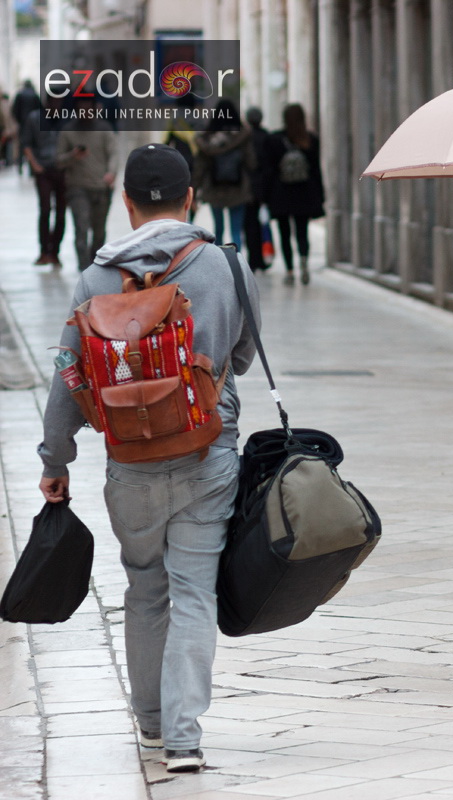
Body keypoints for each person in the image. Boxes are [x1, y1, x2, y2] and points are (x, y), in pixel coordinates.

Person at [37, 143, 259, 773]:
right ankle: (186, 740)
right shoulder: (224, 266)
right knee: (194, 591)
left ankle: (154, 726)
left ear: (126, 203)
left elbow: (68, 378)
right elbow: (240, 357)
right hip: (206, 452)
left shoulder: (94, 278)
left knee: (144, 589)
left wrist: (56, 459)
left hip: (128, 463)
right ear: (190, 198)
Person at [263, 103, 324, 285]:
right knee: (302, 232)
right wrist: (320, 195)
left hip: (281, 194)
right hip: (304, 193)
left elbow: (269, 170)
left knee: (284, 233)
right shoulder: (311, 140)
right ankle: (304, 264)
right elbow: (315, 170)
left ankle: (289, 271)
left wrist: (265, 196)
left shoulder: (275, 139)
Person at [56, 98, 118, 270]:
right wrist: (72, 156)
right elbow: (59, 160)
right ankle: (84, 268)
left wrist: (111, 173)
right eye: (81, 106)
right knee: (81, 228)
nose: (85, 110)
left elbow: (113, 153)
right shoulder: (67, 131)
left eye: (88, 106)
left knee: (99, 232)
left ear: (95, 107)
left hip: (101, 187)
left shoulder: (104, 129)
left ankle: (95, 267)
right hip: (77, 188)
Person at [194, 99, 256, 250]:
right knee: (236, 231)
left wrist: (194, 191)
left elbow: (199, 168)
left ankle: (219, 267)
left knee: (218, 231)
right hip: (238, 188)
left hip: (214, 189)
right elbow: (252, 163)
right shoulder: (242, 137)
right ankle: (237, 267)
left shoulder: (207, 139)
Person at [21, 95, 67, 266]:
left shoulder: (66, 119)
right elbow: (26, 143)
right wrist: (34, 165)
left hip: (62, 170)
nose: (55, 105)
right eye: (52, 102)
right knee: (45, 209)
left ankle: (55, 252)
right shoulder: (35, 118)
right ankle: (44, 251)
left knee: (61, 211)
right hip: (43, 170)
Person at [242, 107, 270, 271]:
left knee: (249, 225)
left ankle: (254, 259)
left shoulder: (246, 138)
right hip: (263, 187)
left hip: (248, 187)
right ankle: (260, 258)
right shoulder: (266, 136)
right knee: (261, 223)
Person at [10, 80, 41, 174]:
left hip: (23, 123)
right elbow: (39, 108)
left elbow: (14, 110)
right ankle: (31, 168)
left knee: (22, 144)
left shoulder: (20, 94)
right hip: (33, 123)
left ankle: (20, 166)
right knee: (32, 144)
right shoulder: (34, 95)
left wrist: (19, 120)